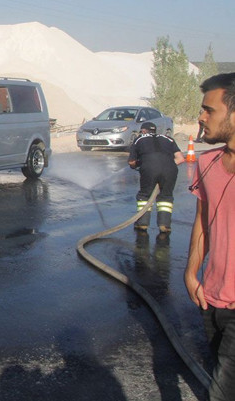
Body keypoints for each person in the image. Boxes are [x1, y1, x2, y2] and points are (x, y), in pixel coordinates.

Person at [185, 72, 235, 400]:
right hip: (211, 299)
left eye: (209, 110)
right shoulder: (207, 162)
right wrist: (191, 273)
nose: (201, 117)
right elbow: (203, 222)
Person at [127, 120, 185, 232]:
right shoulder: (168, 139)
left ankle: (142, 223)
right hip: (170, 169)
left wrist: (139, 165)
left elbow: (132, 162)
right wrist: (167, 165)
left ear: (143, 131)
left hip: (149, 168)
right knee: (166, 197)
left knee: (145, 195)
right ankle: (165, 225)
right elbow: (180, 159)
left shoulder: (139, 139)